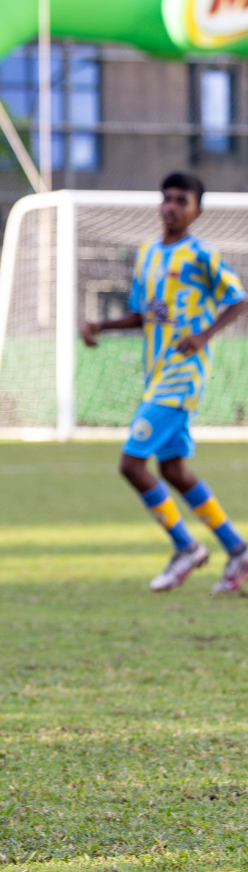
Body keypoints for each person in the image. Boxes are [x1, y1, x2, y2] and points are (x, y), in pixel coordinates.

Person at [82, 171, 248, 593]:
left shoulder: (201, 255)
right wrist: (101, 326)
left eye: (181, 200)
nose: (172, 206)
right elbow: (143, 313)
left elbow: (238, 298)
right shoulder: (148, 255)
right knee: (173, 469)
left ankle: (186, 547)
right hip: (156, 373)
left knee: (131, 464)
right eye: (167, 199)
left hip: (182, 375)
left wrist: (204, 335)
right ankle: (238, 549)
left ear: (197, 210)